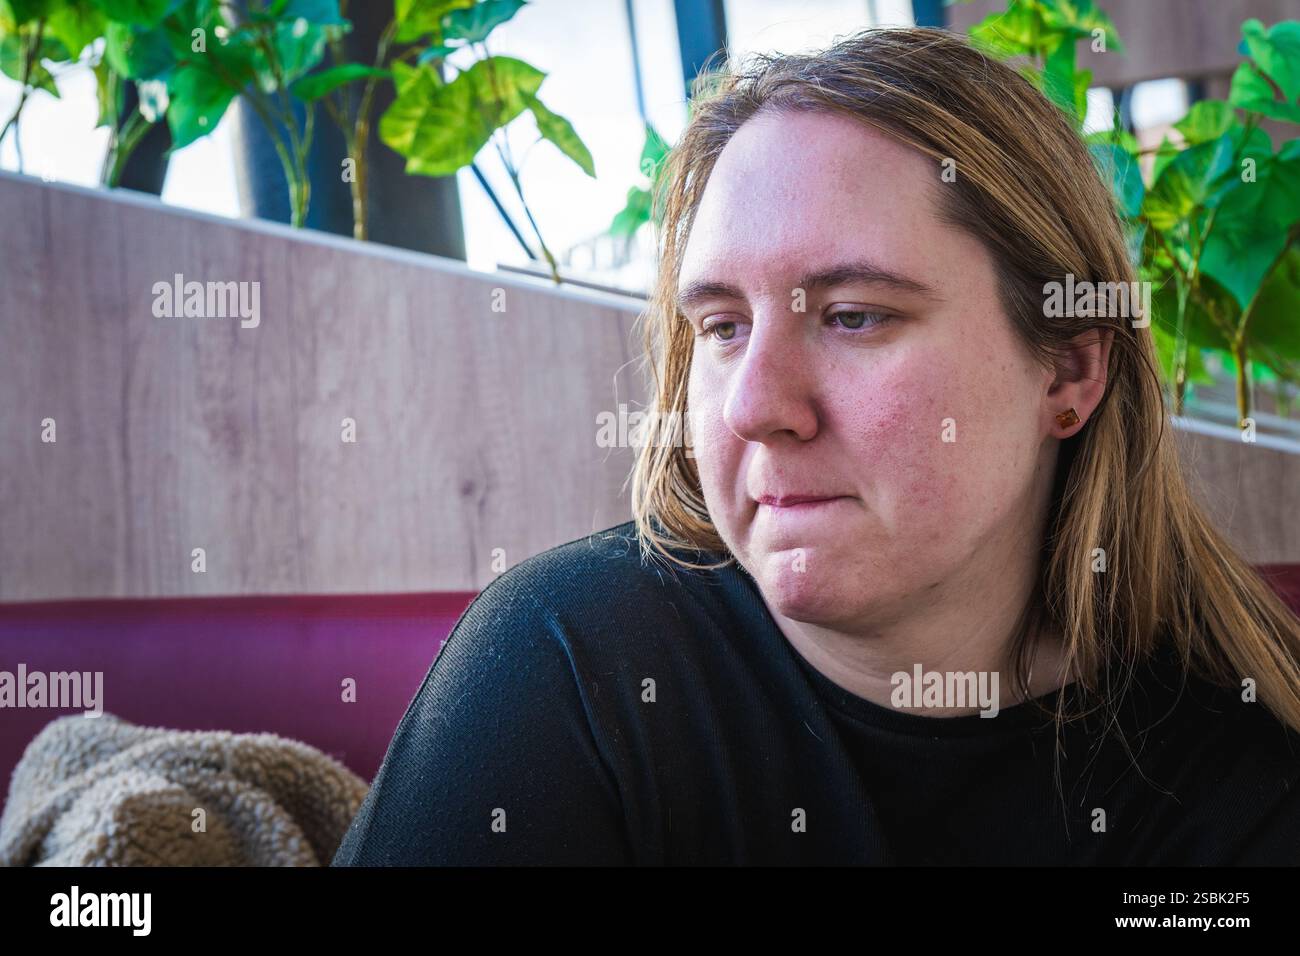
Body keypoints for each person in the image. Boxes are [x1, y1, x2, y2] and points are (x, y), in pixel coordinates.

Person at [332, 27, 1300, 866]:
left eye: (852, 316)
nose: (755, 404)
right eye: (719, 327)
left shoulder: (1234, 787)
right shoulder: (569, 665)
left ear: (1066, 374)